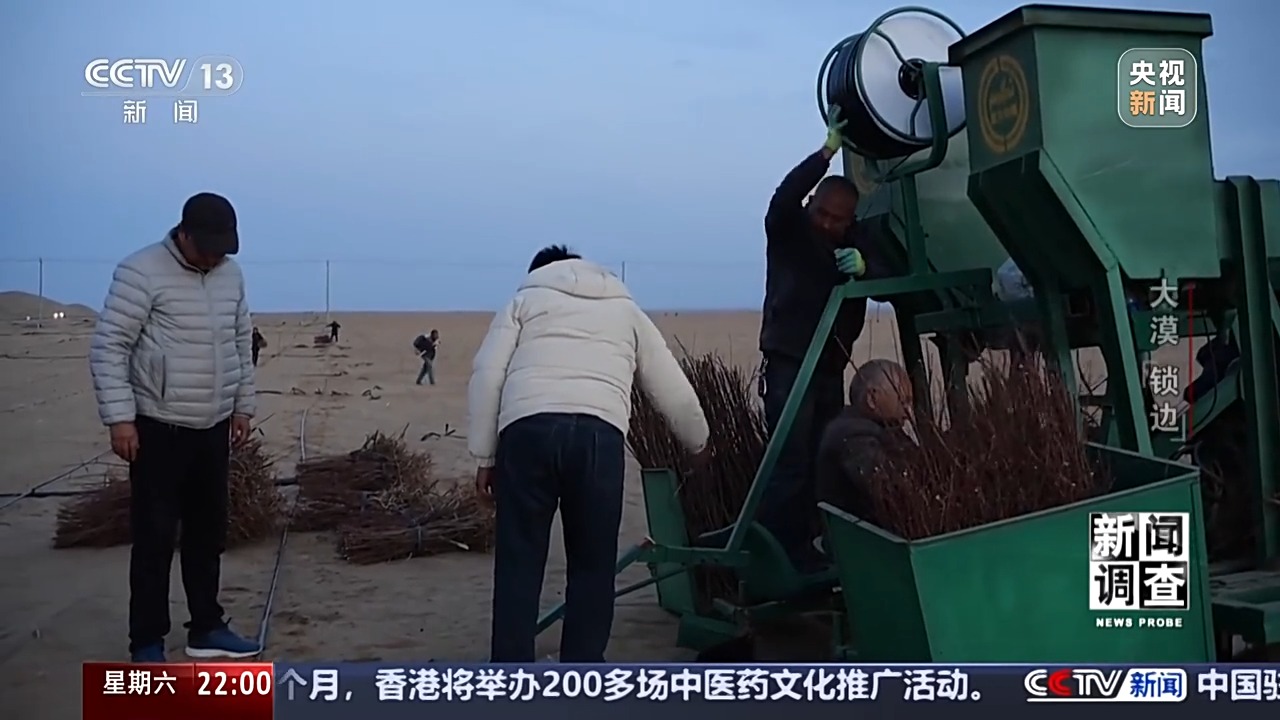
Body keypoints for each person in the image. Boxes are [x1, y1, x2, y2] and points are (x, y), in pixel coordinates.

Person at [468, 244, 710, 662]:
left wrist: (485, 457)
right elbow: (668, 381)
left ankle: (510, 674)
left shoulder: (523, 302)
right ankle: (582, 675)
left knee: (519, 563)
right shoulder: (626, 310)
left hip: (527, 433)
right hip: (599, 437)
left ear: (538, 273)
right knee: (593, 566)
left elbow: (488, 375)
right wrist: (698, 441)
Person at [88, 192, 261, 662]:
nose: (214, 258)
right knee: (155, 539)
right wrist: (120, 419)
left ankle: (206, 627)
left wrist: (242, 407)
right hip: (158, 428)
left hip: (214, 427)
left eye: (222, 249)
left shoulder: (231, 276)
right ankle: (146, 640)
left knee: (208, 535)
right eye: (207, 248)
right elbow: (109, 347)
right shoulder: (140, 271)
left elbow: (240, 343)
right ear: (183, 234)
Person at [757, 107, 889, 569]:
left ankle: (821, 547)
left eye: (839, 219)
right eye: (823, 214)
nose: (829, 225)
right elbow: (783, 196)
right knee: (789, 461)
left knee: (824, 458)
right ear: (812, 204)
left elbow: (889, 276)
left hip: (830, 366)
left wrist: (866, 268)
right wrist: (826, 152)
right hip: (790, 363)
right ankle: (782, 558)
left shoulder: (855, 241)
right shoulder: (789, 230)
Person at [815, 360, 915, 524]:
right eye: (903, 402)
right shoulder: (855, 437)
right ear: (872, 398)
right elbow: (888, 490)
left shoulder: (882, 426)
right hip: (859, 534)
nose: (908, 411)